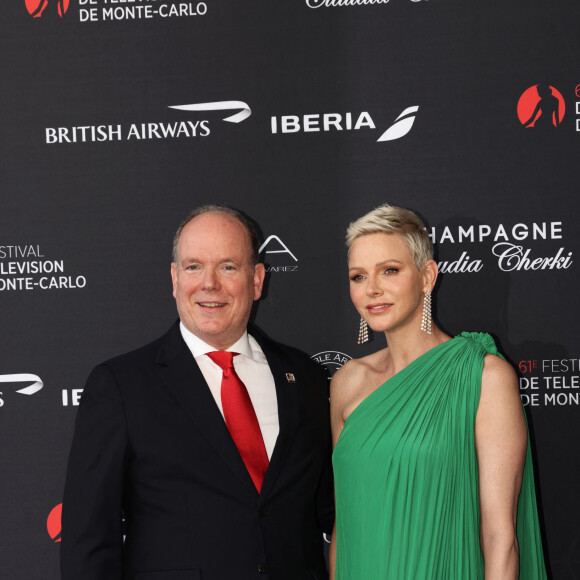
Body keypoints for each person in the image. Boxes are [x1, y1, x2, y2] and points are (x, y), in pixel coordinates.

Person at [61, 205, 334, 580]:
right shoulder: (121, 385)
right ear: (175, 279)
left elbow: (334, 513)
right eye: (193, 267)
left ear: (256, 280)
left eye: (228, 266)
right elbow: (88, 541)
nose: (209, 284)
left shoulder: (304, 376)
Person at [329, 204, 547, 579]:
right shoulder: (347, 381)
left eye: (390, 270)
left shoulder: (483, 376)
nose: (372, 289)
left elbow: (500, 538)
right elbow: (343, 527)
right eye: (358, 276)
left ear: (427, 276)